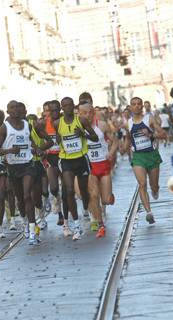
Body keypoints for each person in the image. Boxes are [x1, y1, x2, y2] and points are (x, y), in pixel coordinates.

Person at [0, 101, 52, 245]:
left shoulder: (28, 125)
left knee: (27, 196)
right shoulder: (4, 128)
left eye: (17, 108)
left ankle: (33, 232)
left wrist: (39, 149)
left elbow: (47, 141)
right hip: (13, 167)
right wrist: (9, 151)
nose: (15, 110)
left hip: (28, 165)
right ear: (7, 111)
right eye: (12, 108)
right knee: (20, 199)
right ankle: (25, 221)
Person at [54, 97, 98, 240]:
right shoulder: (57, 123)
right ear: (62, 108)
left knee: (84, 192)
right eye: (64, 106)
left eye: (69, 105)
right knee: (69, 190)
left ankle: (85, 208)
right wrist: (58, 140)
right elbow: (58, 139)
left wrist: (83, 134)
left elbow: (95, 137)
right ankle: (77, 225)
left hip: (81, 159)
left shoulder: (82, 121)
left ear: (73, 106)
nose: (67, 108)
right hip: (66, 160)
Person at [123, 97, 166, 224]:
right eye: (133, 104)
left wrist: (150, 135)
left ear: (142, 106)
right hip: (138, 157)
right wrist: (124, 148)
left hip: (152, 155)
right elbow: (128, 139)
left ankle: (155, 190)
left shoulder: (149, 119)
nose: (136, 106)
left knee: (154, 186)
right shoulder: (128, 124)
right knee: (142, 184)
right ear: (130, 107)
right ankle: (149, 212)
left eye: (138, 104)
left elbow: (163, 134)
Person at [79, 103, 117, 238]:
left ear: (93, 112)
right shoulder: (77, 128)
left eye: (89, 112)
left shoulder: (101, 125)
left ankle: (109, 197)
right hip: (90, 167)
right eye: (83, 113)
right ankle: (100, 223)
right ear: (79, 114)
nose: (87, 115)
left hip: (104, 164)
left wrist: (111, 152)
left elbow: (115, 141)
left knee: (105, 200)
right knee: (94, 195)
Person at [0, 109, 17, 230]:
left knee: (9, 190)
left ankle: (12, 217)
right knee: (1, 194)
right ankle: (9, 213)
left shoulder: (7, 129)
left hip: (9, 163)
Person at [43, 100, 66, 226]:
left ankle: (63, 216)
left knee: (67, 189)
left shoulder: (64, 121)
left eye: (55, 110)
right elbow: (40, 141)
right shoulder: (43, 124)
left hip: (64, 157)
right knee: (53, 188)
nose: (52, 113)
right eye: (48, 110)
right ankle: (56, 201)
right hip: (51, 158)